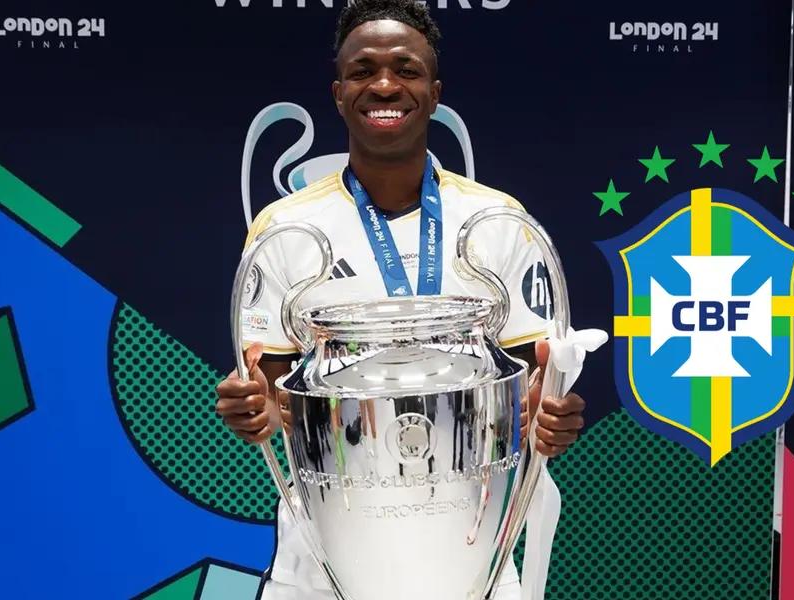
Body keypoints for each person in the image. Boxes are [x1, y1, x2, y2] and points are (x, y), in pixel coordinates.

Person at [214, 2, 587, 597]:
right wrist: (252, 406)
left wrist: (549, 411)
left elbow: (536, 379)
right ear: (338, 94)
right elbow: (272, 388)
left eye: (405, 69)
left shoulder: (494, 219)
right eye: (363, 71)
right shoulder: (284, 228)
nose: (384, 84)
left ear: (434, 93)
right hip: (328, 554)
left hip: (469, 548)